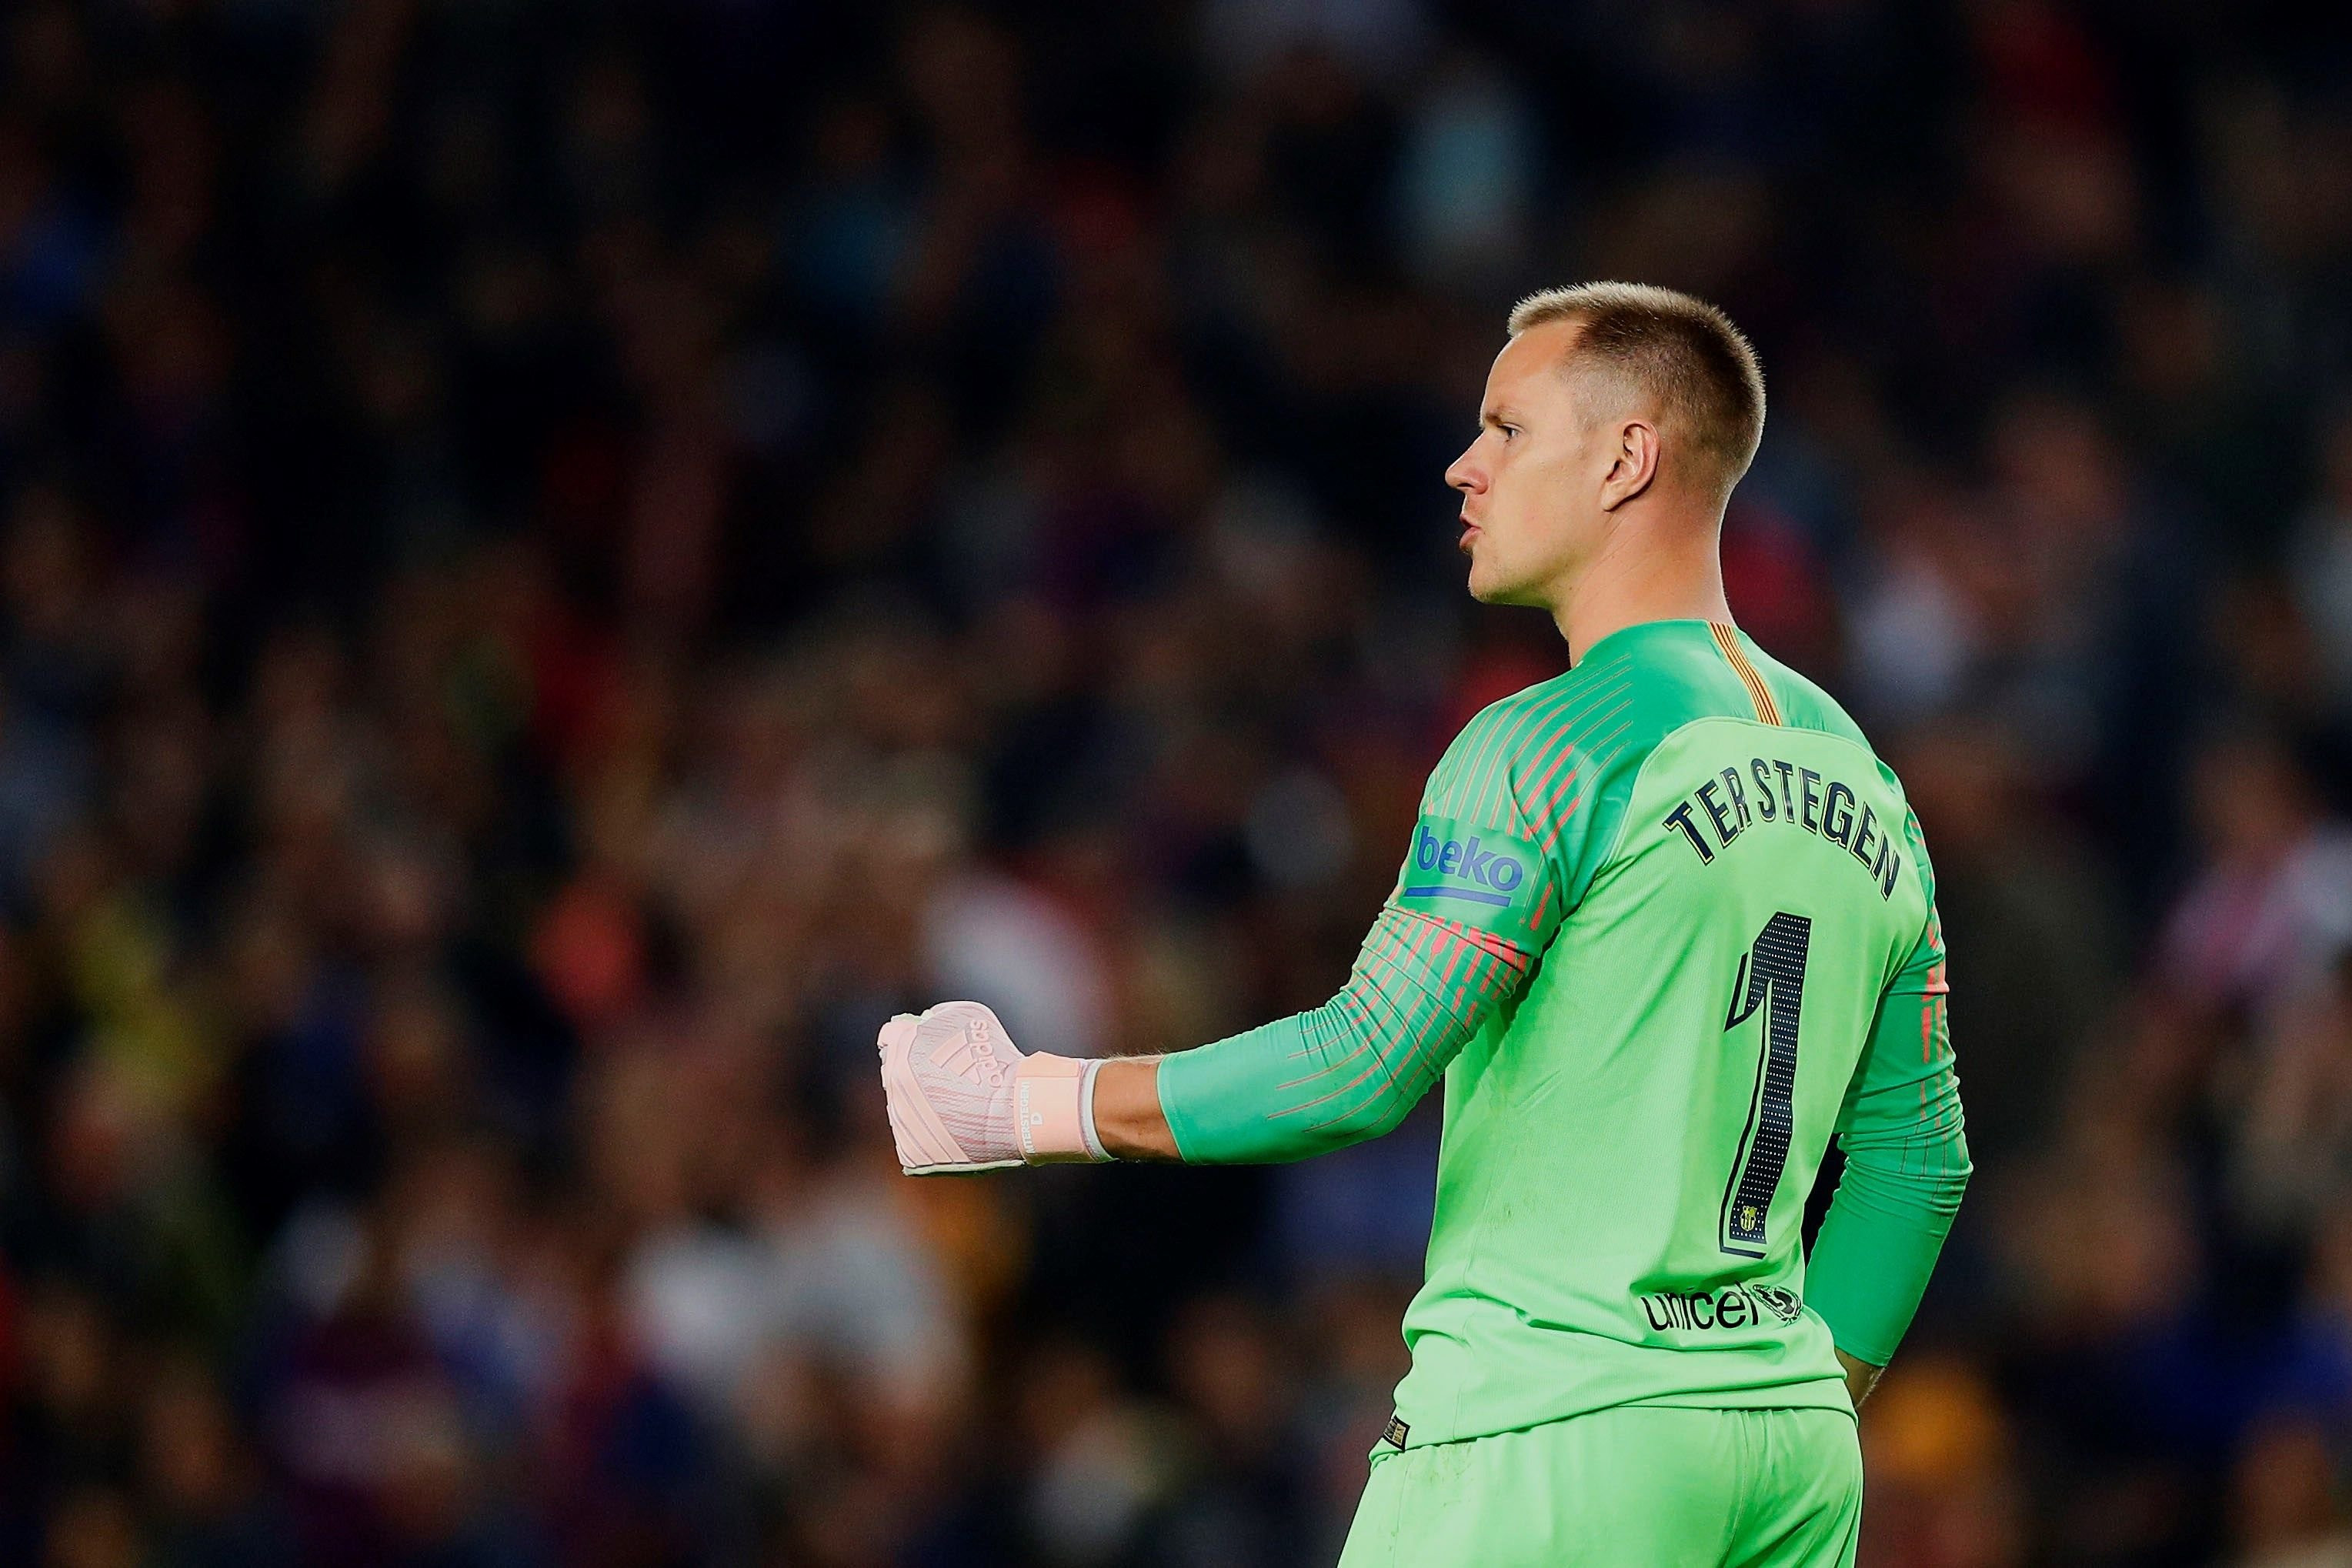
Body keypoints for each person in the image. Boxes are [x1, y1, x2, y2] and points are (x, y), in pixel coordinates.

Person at [877, 282, 1970, 1566]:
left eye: (1506, 429)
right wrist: (1782, 1396)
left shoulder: (1549, 743)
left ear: (1626, 457)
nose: (1464, 465)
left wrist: (1023, 1104)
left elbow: (1361, 1063)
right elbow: (1915, 1162)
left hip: (1545, 1434)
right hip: (1785, 1458)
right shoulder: (1866, 779)